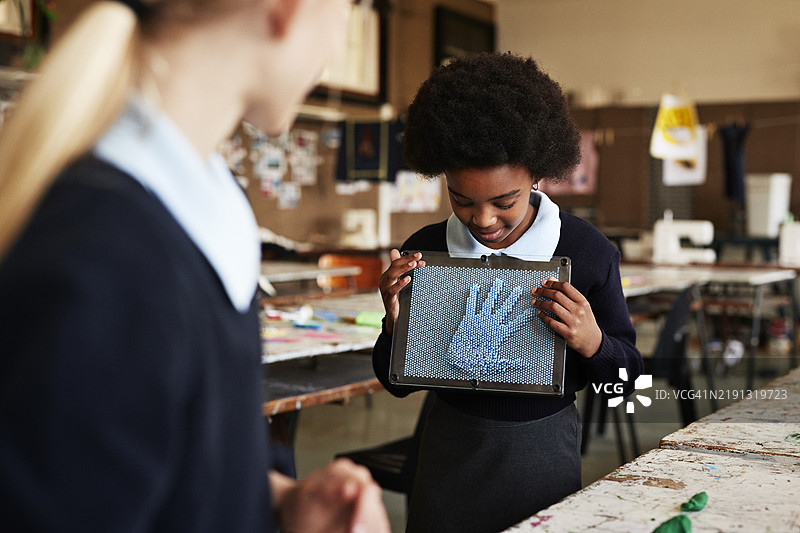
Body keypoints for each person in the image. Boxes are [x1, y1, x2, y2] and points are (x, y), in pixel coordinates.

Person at [0, 1, 390, 532]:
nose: (334, 49)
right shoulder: (105, 258)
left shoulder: (205, 198)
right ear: (284, 8)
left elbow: (168, 455)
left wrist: (277, 499)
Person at [373, 52, 644, 533]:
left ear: (537, 175)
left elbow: (627, 383)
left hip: (541, 453)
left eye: (504, 203)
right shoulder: (427, 251)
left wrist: (592, 342)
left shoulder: (586, 251)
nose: (482, 220)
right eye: (461, 200)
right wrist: (397, 327)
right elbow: (397, 384)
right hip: (447, 451)